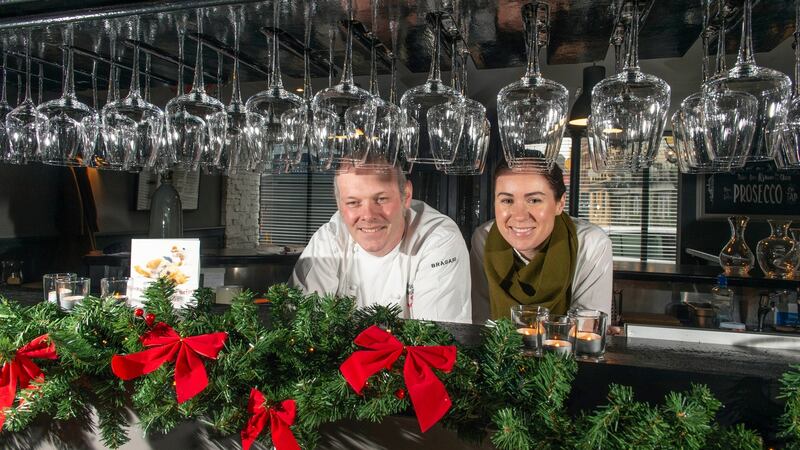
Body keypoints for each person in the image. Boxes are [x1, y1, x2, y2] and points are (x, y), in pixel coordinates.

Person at [291, 165, 472, 323]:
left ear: (406, 196)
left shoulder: (437, 239)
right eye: (353, 202)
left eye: (381, 199)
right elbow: (300, 329)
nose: (368, 215)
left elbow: (436, 345)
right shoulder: (330, 239)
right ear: (339, 204)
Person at [470, 162, 613, 323]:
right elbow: (479, 320)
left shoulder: (590, 244)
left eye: (534, 200)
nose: (519, 216)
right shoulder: (483, 239)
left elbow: (588, 328)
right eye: (507, 201)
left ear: (560, 203)